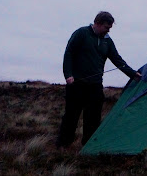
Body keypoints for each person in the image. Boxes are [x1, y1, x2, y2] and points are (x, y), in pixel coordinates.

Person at [56, 11, 141, 148]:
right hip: (76, 84)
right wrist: (68, 75)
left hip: (95, 86)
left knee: (93, 119)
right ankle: (62, 146)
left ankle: (89, 147)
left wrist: (133, 74)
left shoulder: (107, 41)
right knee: (71, 117)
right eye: (107, 27)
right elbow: (69, 53)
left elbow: (117, 60)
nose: (108, 30)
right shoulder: (81, 33)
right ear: (98, 23)